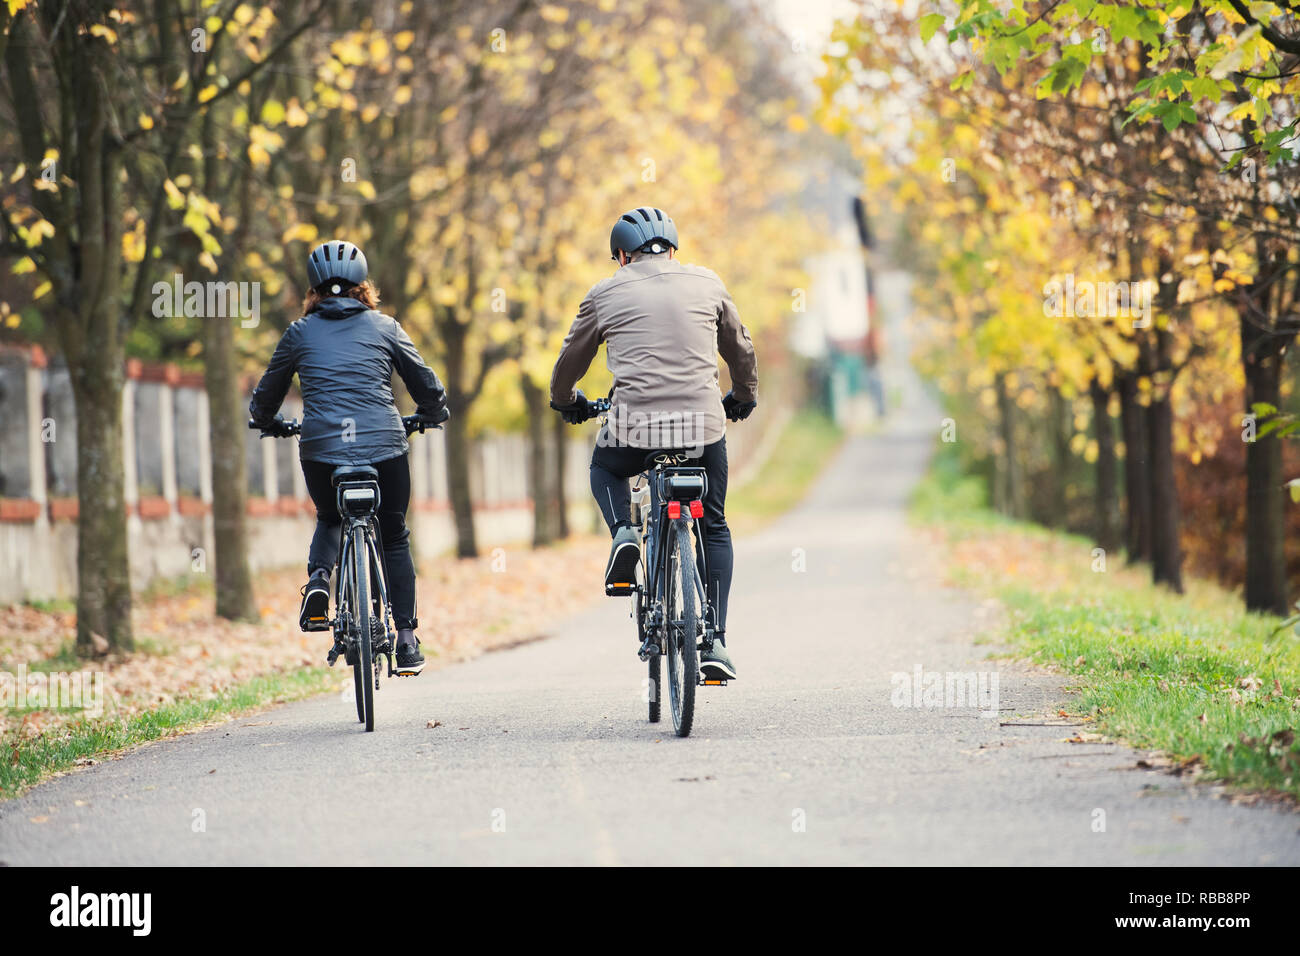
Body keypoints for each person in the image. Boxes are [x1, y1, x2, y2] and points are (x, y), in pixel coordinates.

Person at [549, 206, 757, 680]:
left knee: (605, 466)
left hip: (633, 431)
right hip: (702, 431)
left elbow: (571, 359)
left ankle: (623, 531)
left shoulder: (604, 292)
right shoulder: (708, 283)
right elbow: (740, 348)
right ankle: (716, 641)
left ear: (622, 255)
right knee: (716, 525)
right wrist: (743, 397)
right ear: (673, 249)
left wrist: (566, 401)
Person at [249, 239, 450, 675]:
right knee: (394, 534)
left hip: (322, 448)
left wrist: (267, 421)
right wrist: (432, 413)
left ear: (313, 291)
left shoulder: (298, 334)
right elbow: (425, 383)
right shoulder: (386, 327)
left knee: (329, 517)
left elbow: (266, 395)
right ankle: (408, 639)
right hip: (384, 447)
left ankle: (320, 581)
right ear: (364, 287)